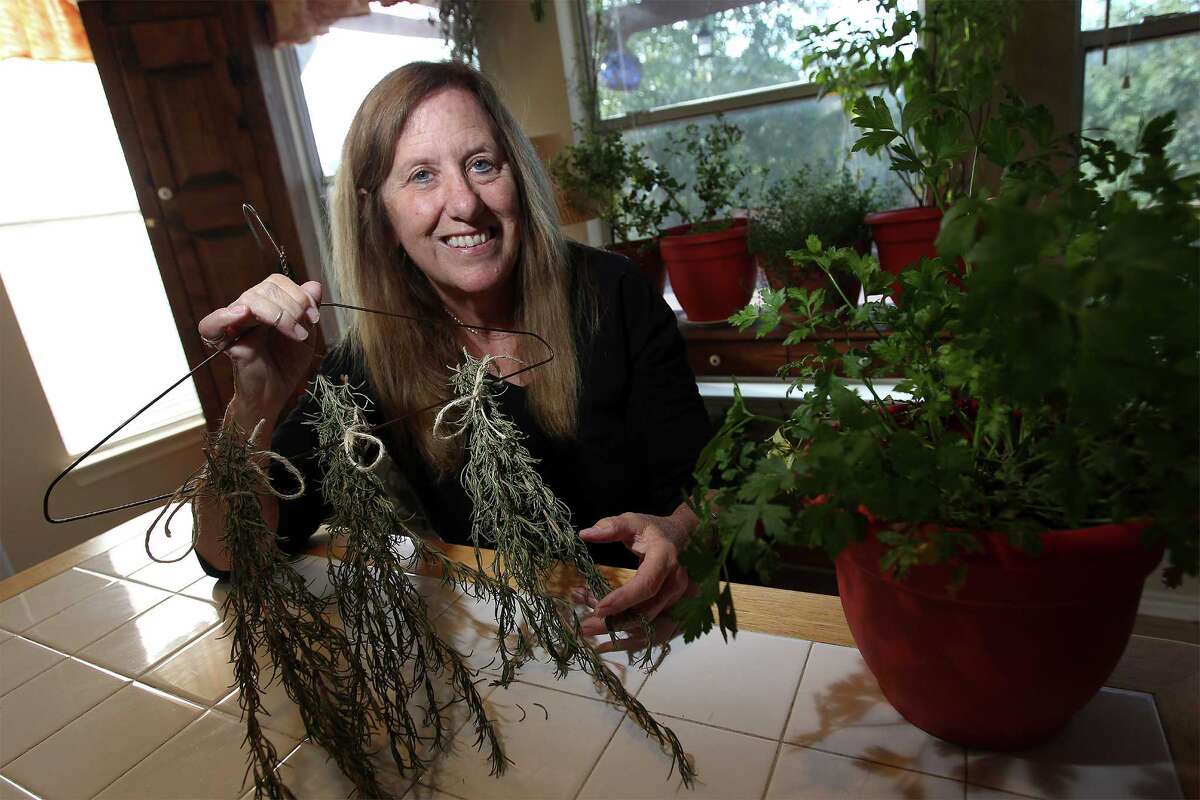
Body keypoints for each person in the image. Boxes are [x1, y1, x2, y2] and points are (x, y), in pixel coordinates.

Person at [193, 61, 710, 638]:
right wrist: (254, 403)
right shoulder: (367, 364)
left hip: (659, 625)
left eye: (481, 165)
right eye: (421, 176)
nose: (465, 202)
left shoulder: (613, 294)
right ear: (379, 216)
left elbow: (707, 482)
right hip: (511, 651)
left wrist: (677, 530)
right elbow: (231, 556)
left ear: (518, 176)